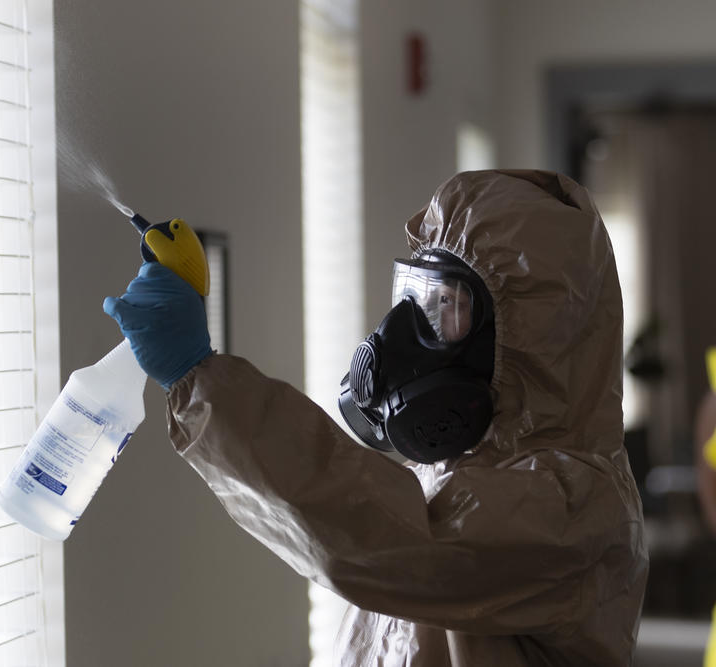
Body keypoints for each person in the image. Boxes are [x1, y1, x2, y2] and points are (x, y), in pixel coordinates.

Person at [104, 169, 648, 665]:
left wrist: (199, 380)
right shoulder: (454, 472)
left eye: (446, 305)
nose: (404, 330)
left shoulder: (575, 505)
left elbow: (378, 539)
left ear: (535, 334)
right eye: (412, 296)